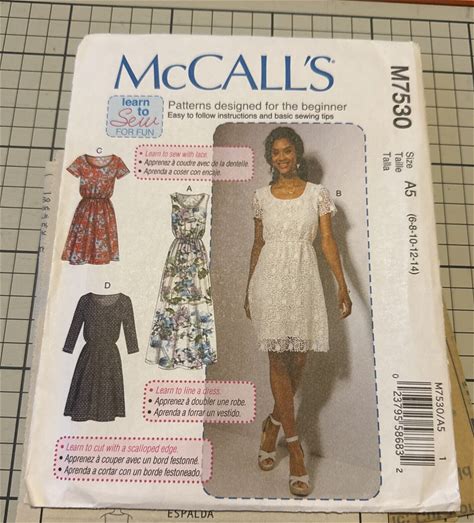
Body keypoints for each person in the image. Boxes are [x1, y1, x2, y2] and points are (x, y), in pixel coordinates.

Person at [244, 127, 352, 497]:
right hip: (269, 283)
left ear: (297, 153)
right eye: (275, 152)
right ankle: (295, 449)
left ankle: (273, 423)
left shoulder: (317, 194)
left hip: (304, 281)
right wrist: (248, 288)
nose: (282, 158)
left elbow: (328, 241)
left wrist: (342, 285)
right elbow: (257, 244)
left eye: (287, 151)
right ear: (270, 158)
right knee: (278, 360)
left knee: (299, 360)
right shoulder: (260, 197)